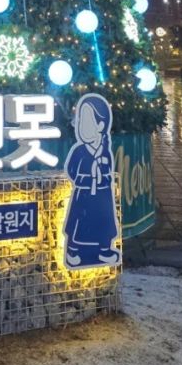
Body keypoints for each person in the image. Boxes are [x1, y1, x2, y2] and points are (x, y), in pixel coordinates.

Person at [63, 93, 120, 268]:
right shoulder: (80, 150)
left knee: (103, 219)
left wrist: (101, 178)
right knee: (79, 221)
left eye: (87, 122)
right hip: (84, 192)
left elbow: (109, 167)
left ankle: (104, 249)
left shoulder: (104, 151)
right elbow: (71, 170)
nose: (81, 126)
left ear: (101, 125)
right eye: (80, 121)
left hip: (102, 192)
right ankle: (73, 249)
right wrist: (84, 181)